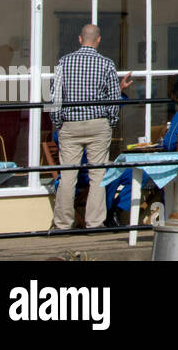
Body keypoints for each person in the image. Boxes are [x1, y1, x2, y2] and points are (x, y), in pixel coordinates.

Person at [49, 24, 132, 230]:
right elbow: (113, 98)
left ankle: (63, 223)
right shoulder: (106, 64)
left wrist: (59, 122)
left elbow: (55, 97)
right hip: (98, 123)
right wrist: (110, 122)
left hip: (71, 123)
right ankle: (94, 223)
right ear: (99, 40)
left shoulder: (64, 62)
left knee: (68, 175)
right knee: (98, 175)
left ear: (79, 39)